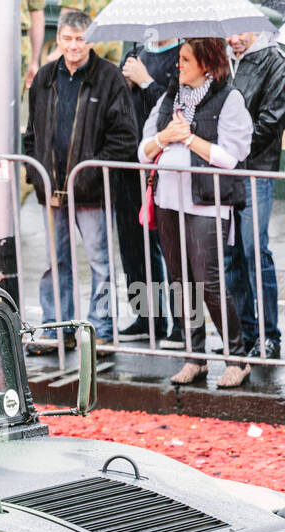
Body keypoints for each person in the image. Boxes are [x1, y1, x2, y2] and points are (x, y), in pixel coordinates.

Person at [139, 38, 252, 388]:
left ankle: (237, 358)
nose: (178, 65)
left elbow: (232, 157)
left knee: (211, 283)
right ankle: (195, 357)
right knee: (180, 282)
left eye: (185, 59)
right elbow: (143, 151)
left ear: (206, 63)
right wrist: (165, 137)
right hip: (167, 199)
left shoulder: (229, 98)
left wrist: (188, 139)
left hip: (206, 201)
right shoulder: (167, 99)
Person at [21, 9, 136, 347]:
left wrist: (90, 173)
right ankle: (57, 327)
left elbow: (125, 137)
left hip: (92, 192)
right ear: (58, 40)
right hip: (52, 189)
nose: (73, 46)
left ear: (91, 41)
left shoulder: (110, 78)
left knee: (100, 262)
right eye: (68, 39)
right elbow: (32, 134)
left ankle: (101, 330)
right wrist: (35, 173)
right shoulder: (44, 77)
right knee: (54, 263)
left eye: (80, 40)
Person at [222, 31, 285, 360]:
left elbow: (272, 120)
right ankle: (244, 333)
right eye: (230, 33)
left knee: (253, 250)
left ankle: (269, 334)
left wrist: (232, 151)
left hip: (254, 170)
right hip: (221, 170)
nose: (234, 39)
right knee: (229, 254)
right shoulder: (220, 60)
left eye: (241, 33)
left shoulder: (276, 62)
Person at [115, 36, 180, 346]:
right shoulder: (134, 52)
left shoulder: (184, 54)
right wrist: (125, 84)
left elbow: (177, 109)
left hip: (164, 165)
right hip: (128, 164)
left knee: (172, 248)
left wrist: (146, 82)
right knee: (133, 247)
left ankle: (181, 326)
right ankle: (146, 318)